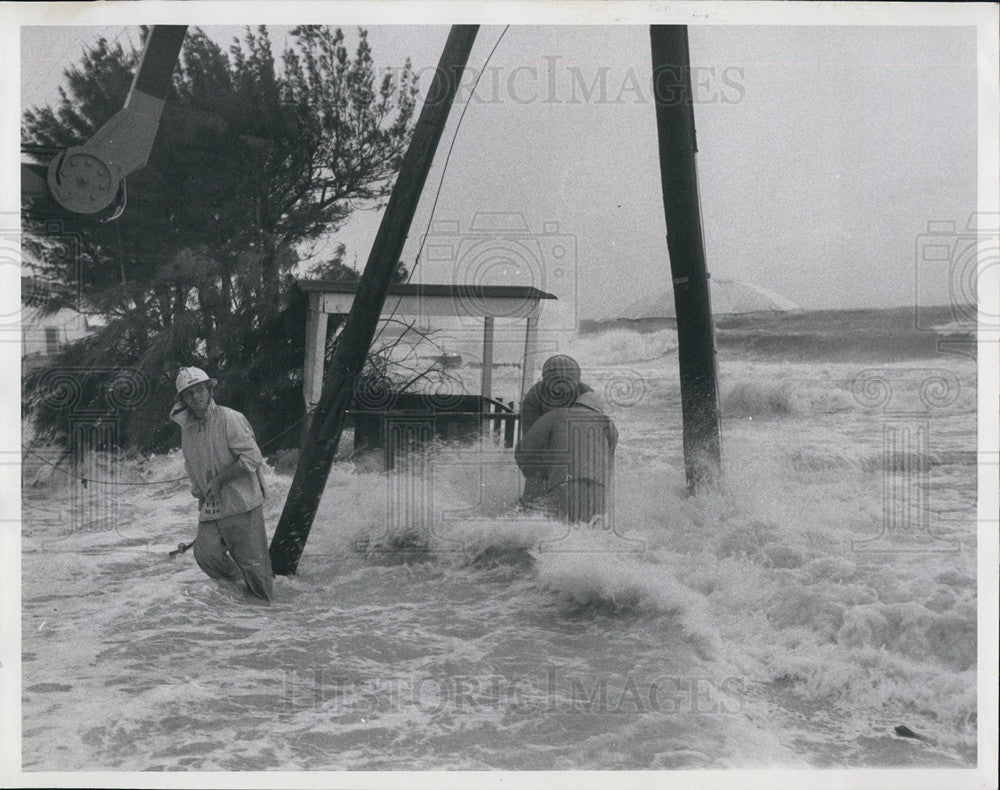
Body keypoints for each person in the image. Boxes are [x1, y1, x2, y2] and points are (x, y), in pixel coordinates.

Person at [170, 366, 273, 601]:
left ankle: (267, 615)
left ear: (209, 389)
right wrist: (200, 494)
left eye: (199, 390)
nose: (196, 396)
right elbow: (191, 465)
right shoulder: (187, 429)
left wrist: (219, 480)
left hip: (242, 500)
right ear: (183, 399)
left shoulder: (230, 418)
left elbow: (252, 457)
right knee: (205, 554)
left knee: (254, 565)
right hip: (213, 503)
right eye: (189, 393)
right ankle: (240, 589)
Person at [515, 389, 618, 525]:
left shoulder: (556, 415)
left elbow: (523, 451)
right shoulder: (609, 425)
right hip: (600, 487)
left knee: (561, 529)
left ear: (575, 404)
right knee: (590, 534)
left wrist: (539, 473)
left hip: (565, 482)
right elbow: (609, 461)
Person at [518, 354, 594, 504]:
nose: (561, 391)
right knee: (537, 479)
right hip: (543, 444)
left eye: (566, 383)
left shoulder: (587, 394)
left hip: (575, 440)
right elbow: (532, 439)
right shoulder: (533, 398)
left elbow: (594, 429)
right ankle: (529, 506)